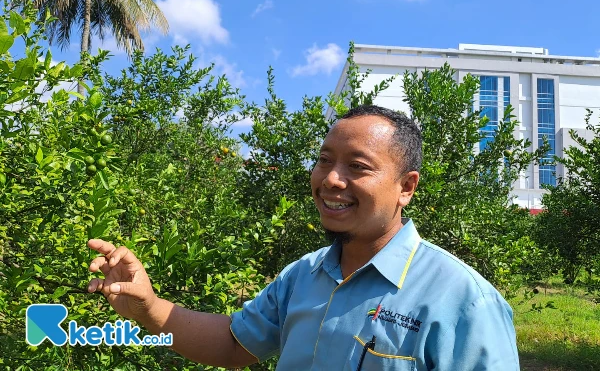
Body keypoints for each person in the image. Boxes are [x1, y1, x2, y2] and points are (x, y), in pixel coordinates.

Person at [87, 104, 520, 370]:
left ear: (406, 187)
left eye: (358, 166)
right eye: (324, 160)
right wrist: (149, 308)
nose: (331, 179)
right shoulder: (304, 275)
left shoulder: (464, 301)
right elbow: (235, 344)